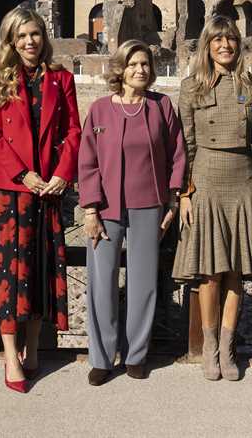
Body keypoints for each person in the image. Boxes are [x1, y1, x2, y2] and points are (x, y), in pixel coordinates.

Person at [0, 7, 81, 393]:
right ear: (10, 41)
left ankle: (32, 348)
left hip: (46, 192)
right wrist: (23, 174)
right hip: (9, 192)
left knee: (36, 274)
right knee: (8, 276)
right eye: (22, 36)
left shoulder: (61, 79)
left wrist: (61, 175)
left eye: (35, 34)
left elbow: (72, 130)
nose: (30, 42)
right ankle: (9, 356)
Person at [78, 39, 186, 386]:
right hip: (105, 207)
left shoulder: (161, 107)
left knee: (143, 283)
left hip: (148, 205)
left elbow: (177, 154)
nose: (140, 70)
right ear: (120, 69)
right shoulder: (99, 110)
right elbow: (88, 161)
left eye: (145, 64)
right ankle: (101, 357)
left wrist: (171, 201)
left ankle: (136, 354)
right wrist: (90, 208)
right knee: (101, 283)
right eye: (133, 64)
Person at [172, 16, 252, 382]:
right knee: (210, 274)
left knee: (235, 274)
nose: (225, 46)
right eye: (217, 40)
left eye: (230, 39)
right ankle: (210, 345)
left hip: (243, 181)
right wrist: (185, 193)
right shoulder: (190, 87)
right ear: (207, 46)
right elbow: (185, 145)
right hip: (206, 182)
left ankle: (228, 346)